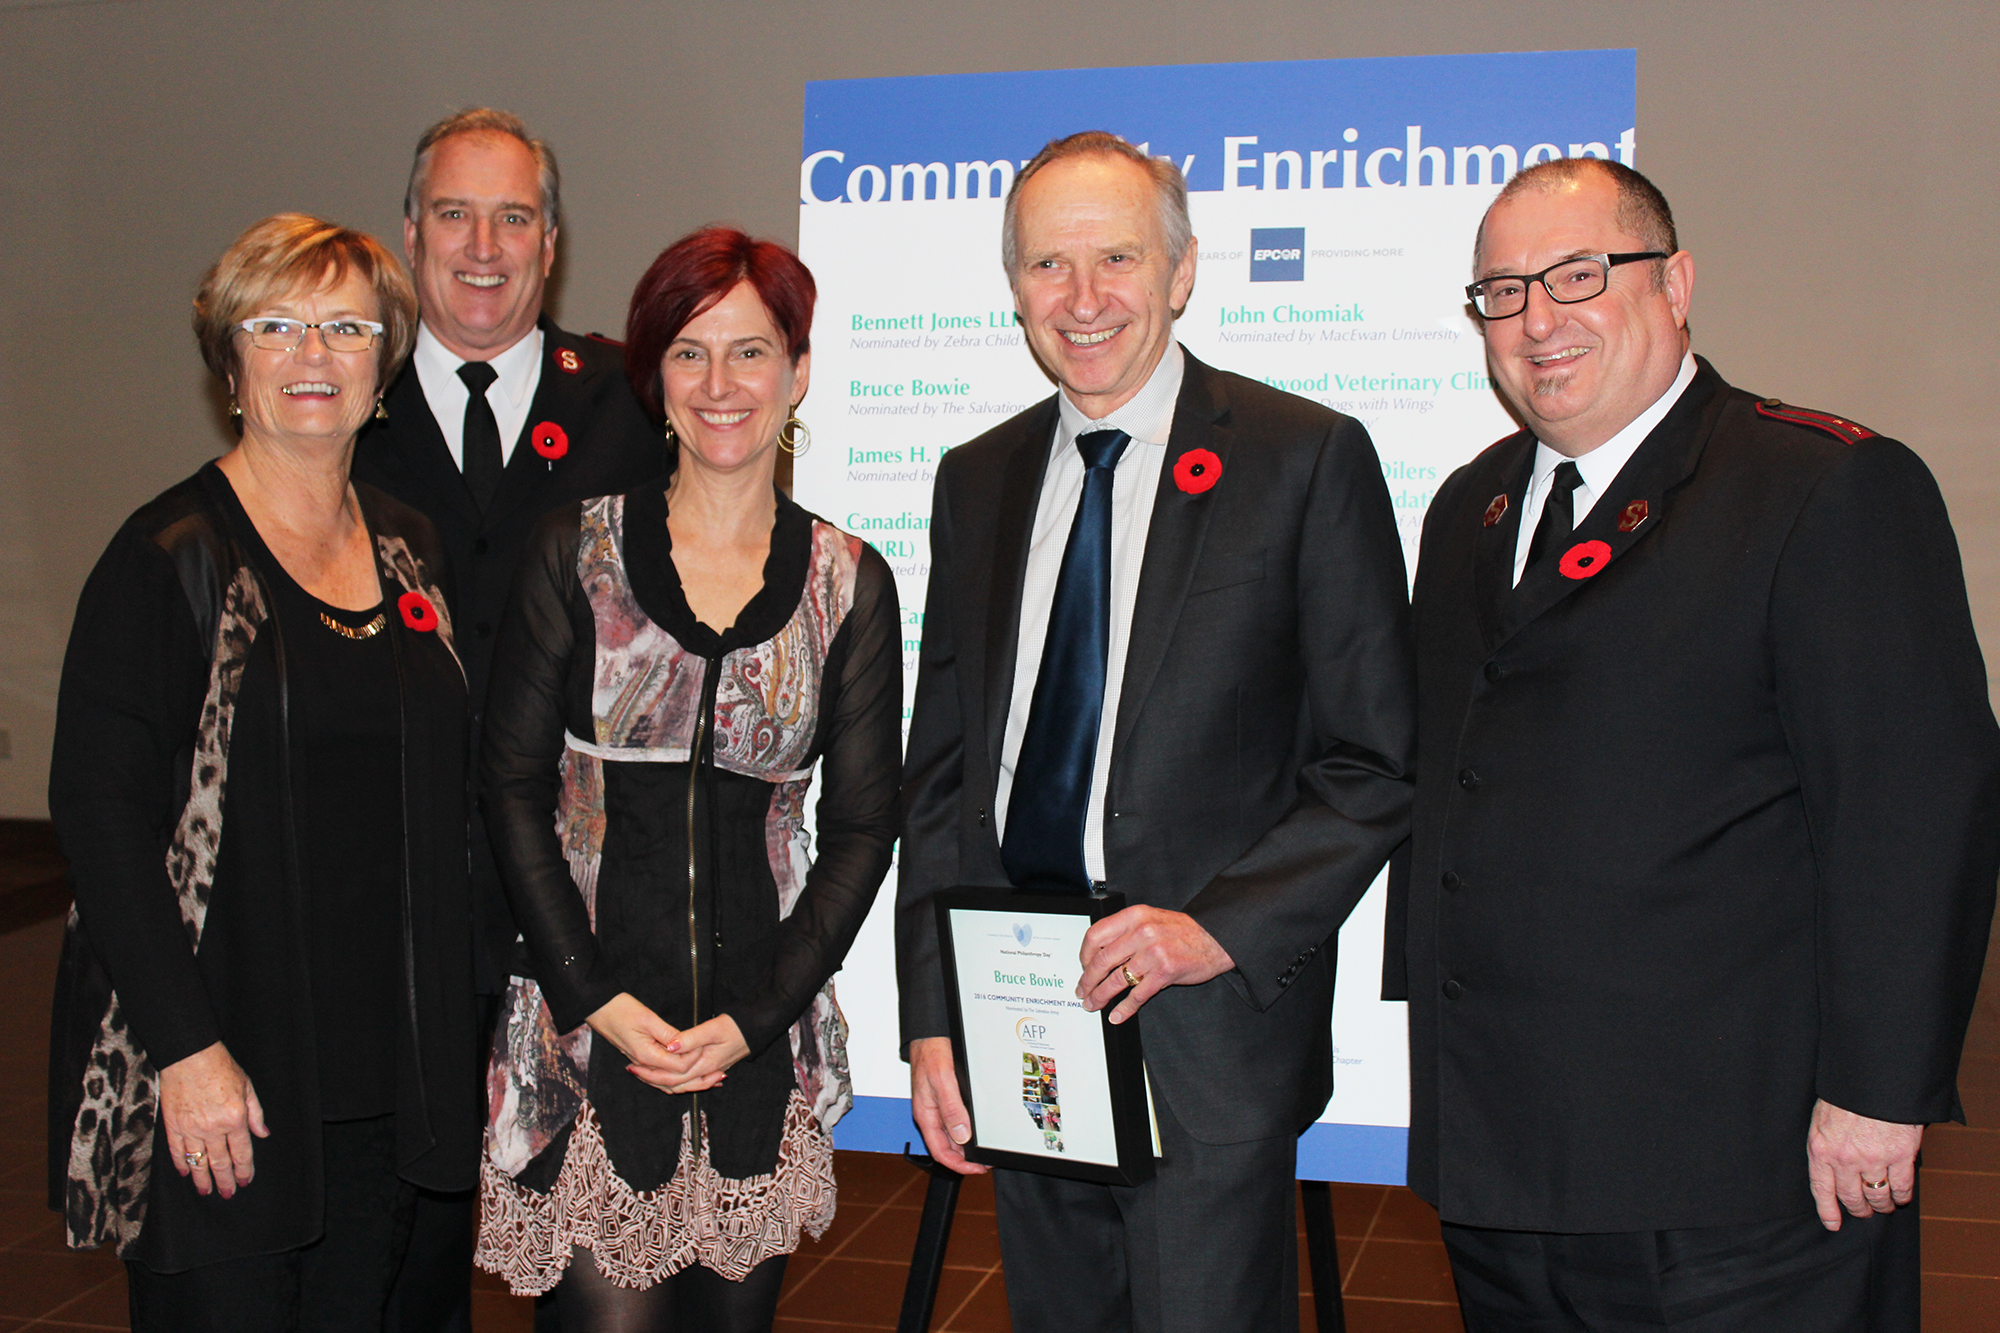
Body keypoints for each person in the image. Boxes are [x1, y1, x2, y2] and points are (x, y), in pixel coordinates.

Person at [1392, 155, 2000, 1329]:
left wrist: (1878, 1095)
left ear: (1673, 283)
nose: (1536, 321)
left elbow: (1915, 811)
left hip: (1740, 1178)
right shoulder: (1469, 506)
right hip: (1508, 1162)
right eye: (1501, 293)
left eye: (1577, 274)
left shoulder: (1818, 487)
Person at [895, 131, 1416, 1333]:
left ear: (1181, 273)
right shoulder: (974, 479)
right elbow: (944, 777)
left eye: (1116, 258)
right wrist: (934, 1014)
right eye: (1046, 265)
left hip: (1204, 1028)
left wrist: (1210, 930)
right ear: (1014, 285)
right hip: (1023, 1013)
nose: (1081, 300)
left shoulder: (1301, 460)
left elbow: (1370, 761)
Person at [46, 213, 479, 1330]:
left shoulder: (408, 548)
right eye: (276, 324)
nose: (312, 353)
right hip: (229, 1068)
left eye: (344, 327)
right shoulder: (169, 558)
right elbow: (99, 820)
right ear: (230, 360)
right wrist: (185, 1049)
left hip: (385, 1076)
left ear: (384, 362)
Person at [473, 226, 901, 1332]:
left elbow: (861, 826)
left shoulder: (848, 582)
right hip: (583, 1033)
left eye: (750, 352)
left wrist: (756, 1017)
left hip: (753, 1051)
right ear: (654, 378)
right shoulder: (575, 551)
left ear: (797, 373)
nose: (721, 385)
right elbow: (512, 786)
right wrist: (594, 997)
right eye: (688, 352)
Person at [349, 107, 664, 1332]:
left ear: (552, 241)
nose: (483, 246)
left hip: (584, 918)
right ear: (410, 232)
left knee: (590, 1272)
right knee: (398, 1263)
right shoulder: (342, 412)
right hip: (394, 913)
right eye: (454, 214)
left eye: (514, 217)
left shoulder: (631, 411)